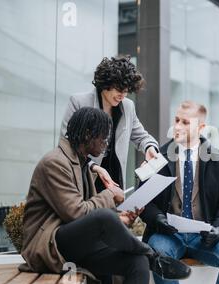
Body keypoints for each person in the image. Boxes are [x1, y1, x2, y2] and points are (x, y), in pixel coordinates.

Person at [20, 107, 190, 284]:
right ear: (87, 134)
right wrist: (110, 194)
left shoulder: (82, 163)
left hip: (75, 243)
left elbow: (87, 216)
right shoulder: (55, 162)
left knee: (137, 262)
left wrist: (122, 218)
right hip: (49, 246)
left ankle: (147, 258)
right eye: (104, 137)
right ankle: (153, 257)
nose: (107, 143)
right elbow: (76, 213)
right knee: (105, 216)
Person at [140, 101, 219, 284]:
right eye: (177, 120)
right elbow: (144, 201)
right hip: (168, 235)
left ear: (201, 127)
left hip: (204, 238)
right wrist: (157, 219)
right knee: (159, 253)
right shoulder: (158, 156)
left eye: (185, 122)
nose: (178, 126)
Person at [60, 56, 159, 192]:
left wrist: (150, 148)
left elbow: (142, 137)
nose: (122, 96)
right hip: (85, 177)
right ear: (106, 83)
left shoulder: (128, 107)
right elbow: (67, 144)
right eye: (119, 90)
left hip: (115, 182)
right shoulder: (79, 102)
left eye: (126, 91)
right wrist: (93, 167)